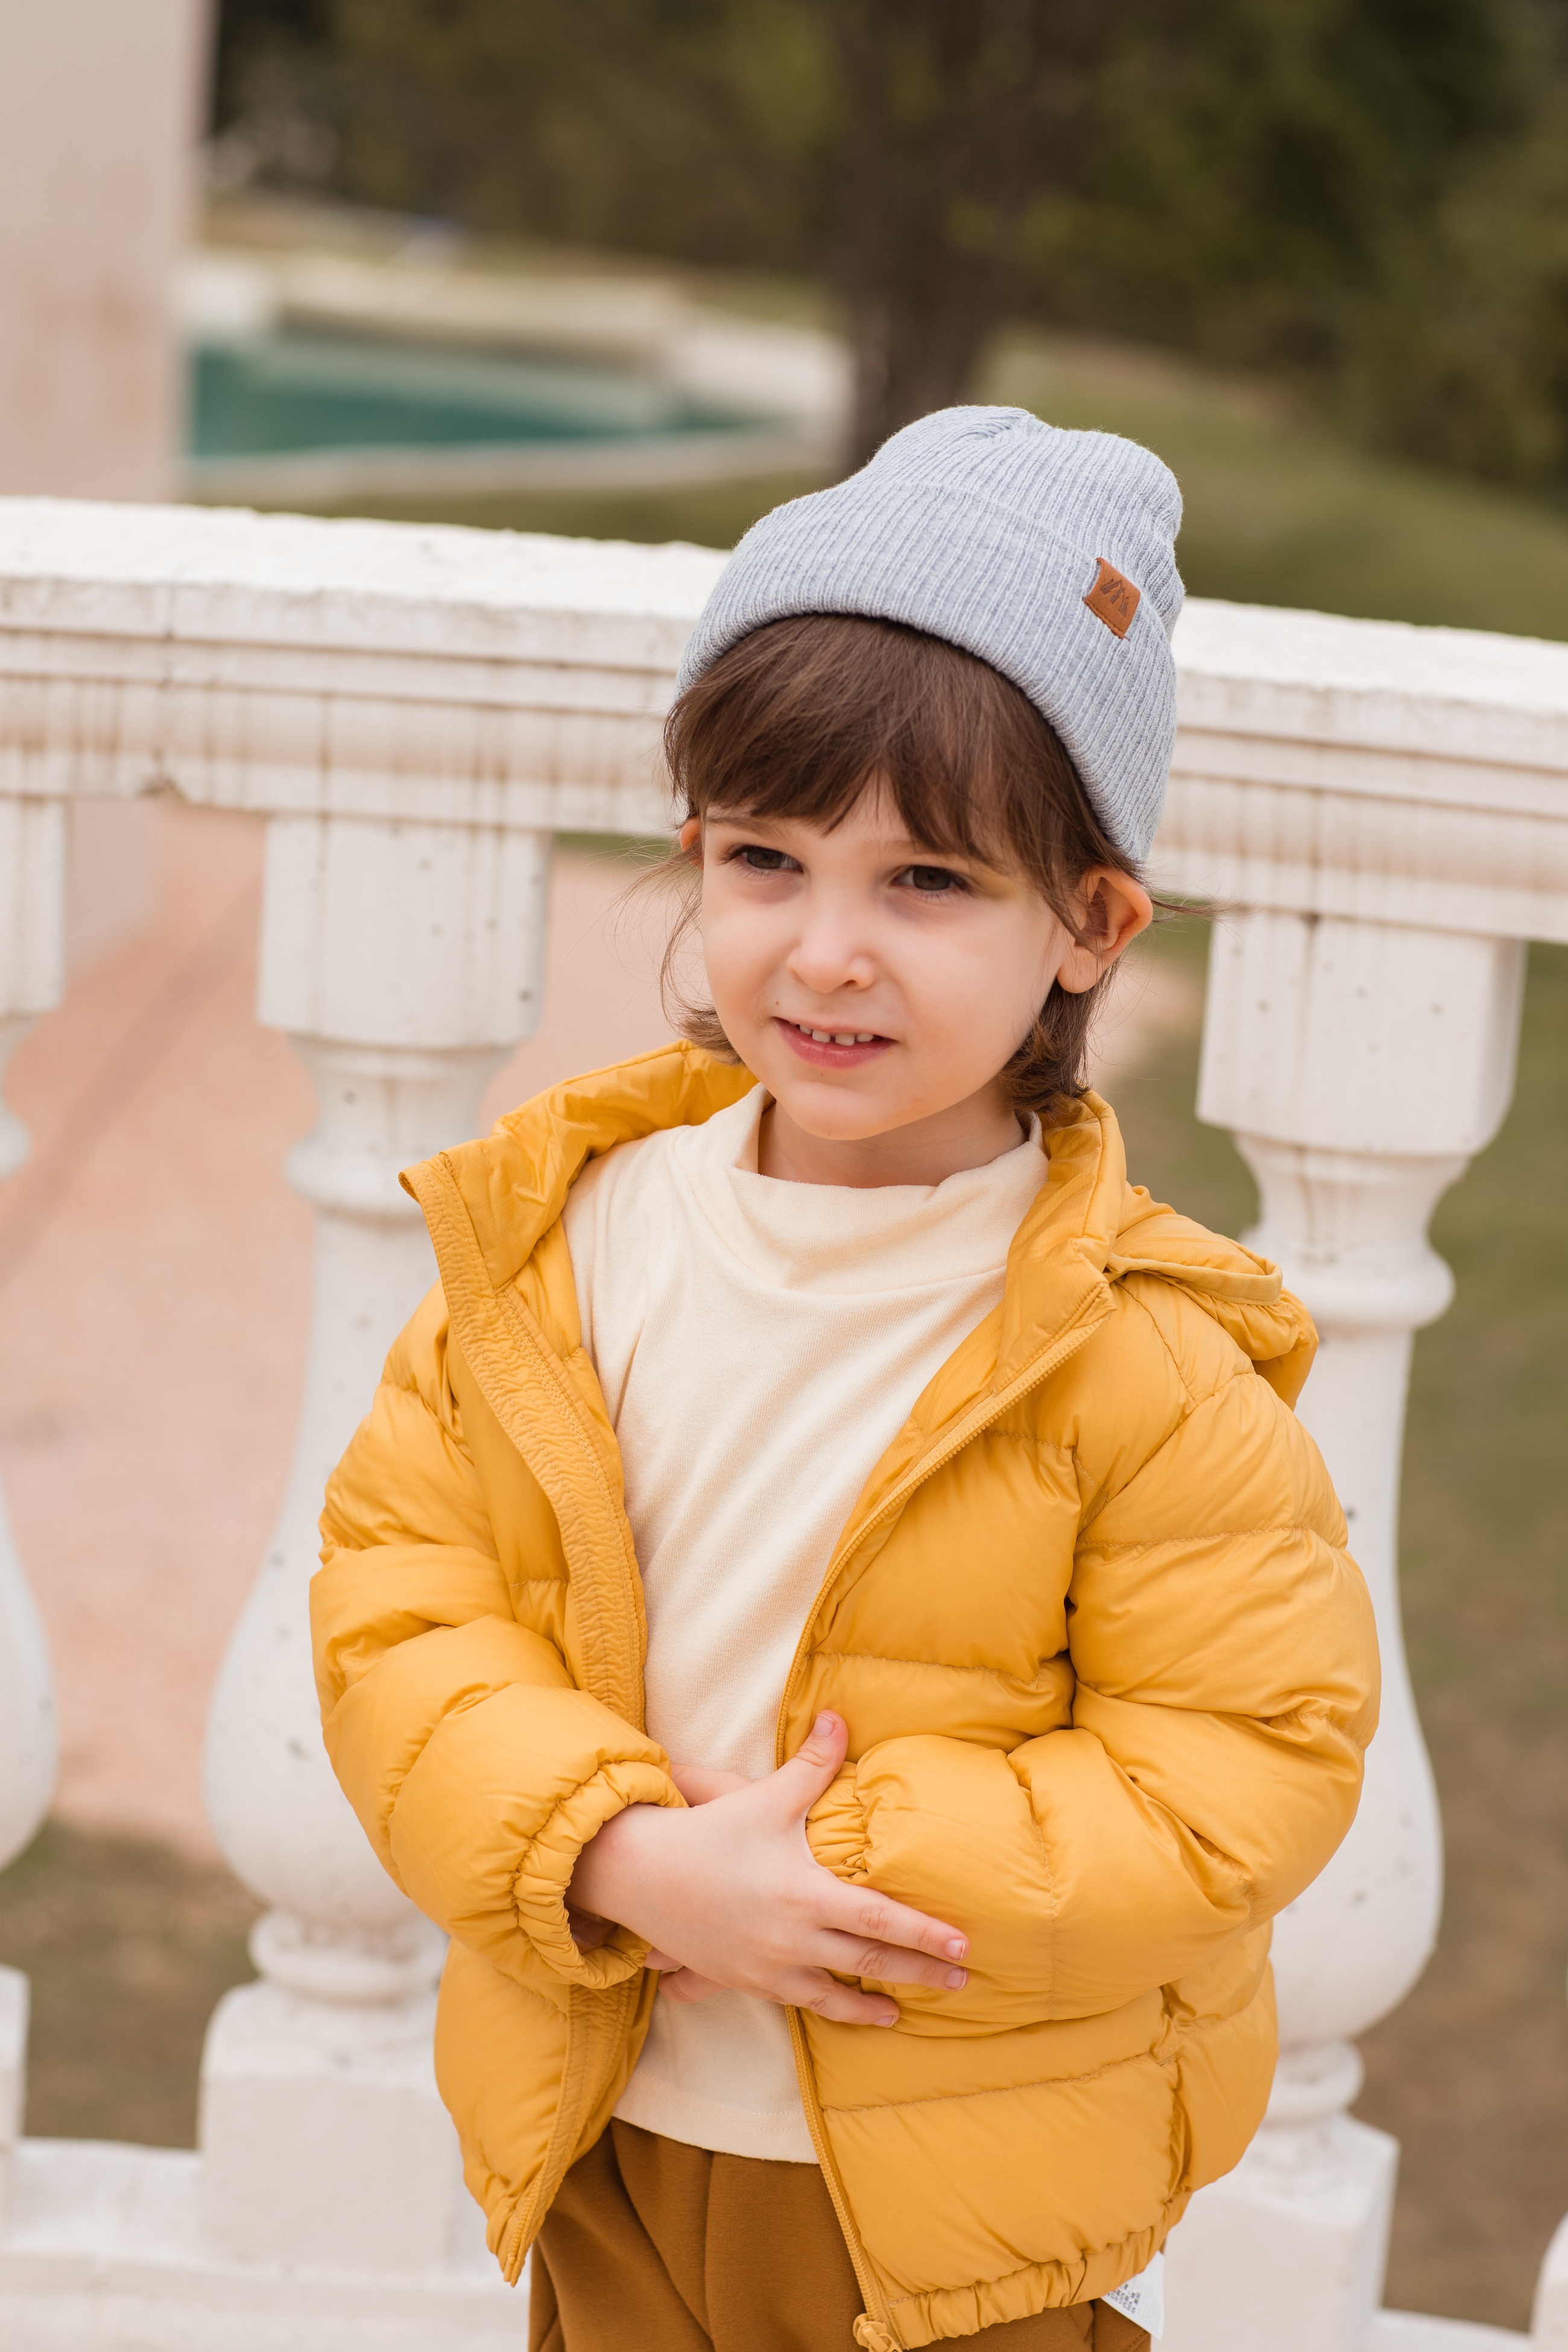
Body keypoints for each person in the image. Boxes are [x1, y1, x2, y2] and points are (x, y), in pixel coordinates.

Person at [311, 407, 1379, 2352]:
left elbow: (1247, 1769)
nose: (825, 950)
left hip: (948, 2206)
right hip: (609, 2121)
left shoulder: (1138, 1356)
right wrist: (625, 1856)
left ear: (1089, 923)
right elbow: (403, 1613)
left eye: (929, 883)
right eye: (765, 857)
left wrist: (840, 1872)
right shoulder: (565, 1240)